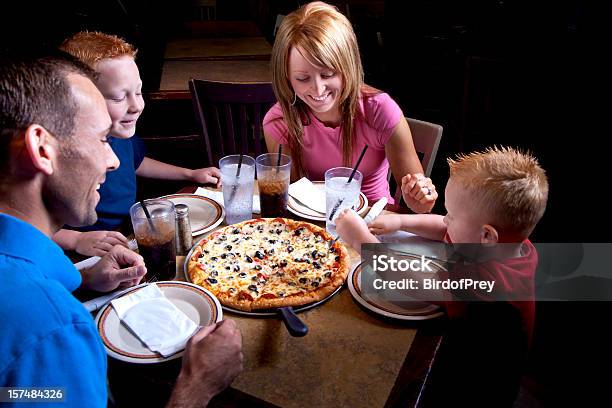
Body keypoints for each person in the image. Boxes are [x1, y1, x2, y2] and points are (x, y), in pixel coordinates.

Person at [0, 53, 242, 407]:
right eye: (101, 140)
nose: (114, 160)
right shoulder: (53, 333)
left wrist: (83, 280)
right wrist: (198, 385)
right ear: (41, 149)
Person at [336, 146, 549, 406]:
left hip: (475, 382)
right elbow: (445, 228)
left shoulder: (489, 284)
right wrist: (402, 223)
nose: (445, 220)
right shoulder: (509, 244)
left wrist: (361, 241)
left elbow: (409, 279)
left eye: (452, 215)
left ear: (486, 236)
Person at [52, 31, 221, 256]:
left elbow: (136, 162)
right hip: (83, 253)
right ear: (83, 97)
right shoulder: (61, 154)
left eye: (138, 92)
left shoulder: (121, 134)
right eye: (119, 97)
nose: (136, 106)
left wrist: (190, 174)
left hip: (128, 234)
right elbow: (18, 223)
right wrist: (74, 239)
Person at [263, 1, 437, 213]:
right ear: (287, 76)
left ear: (348, 66)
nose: (317, 90)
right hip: (314, 227)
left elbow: (419, 207)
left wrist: (420, 196)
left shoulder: (380, 111)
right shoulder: (279, 121)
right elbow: (292, 202)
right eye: (302, 78)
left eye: (328, 74)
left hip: (376, 221)